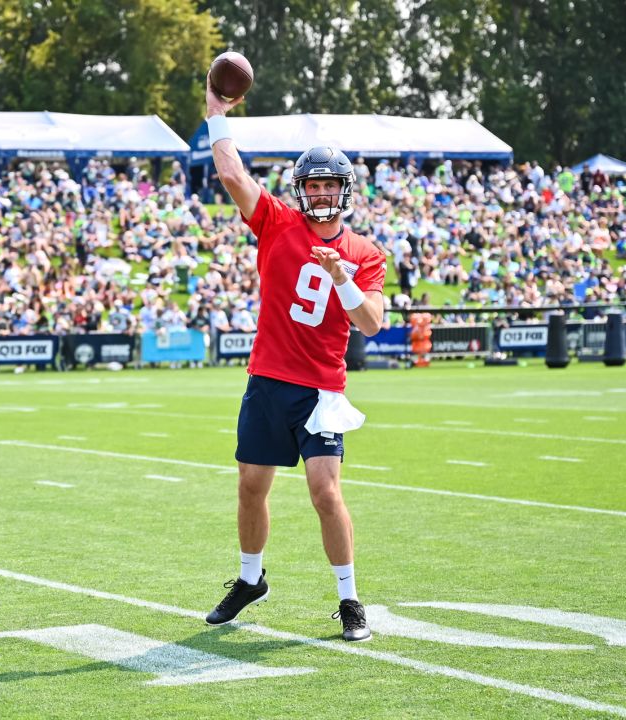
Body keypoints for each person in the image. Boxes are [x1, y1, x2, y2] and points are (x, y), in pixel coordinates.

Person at [201, 72, 386, 642]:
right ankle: (250, 579)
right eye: (316, 185)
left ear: (346, 191)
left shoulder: (363, 252)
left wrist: (343, 282)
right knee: (250, 485)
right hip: (267, 378)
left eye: (332, 185)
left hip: (321, 389)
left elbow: (372, 324)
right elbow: (232, 173)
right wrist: (216, 111)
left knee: (324, 491)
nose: (323, 193)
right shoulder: (278, 222)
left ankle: (350, 599)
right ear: (302, 189)